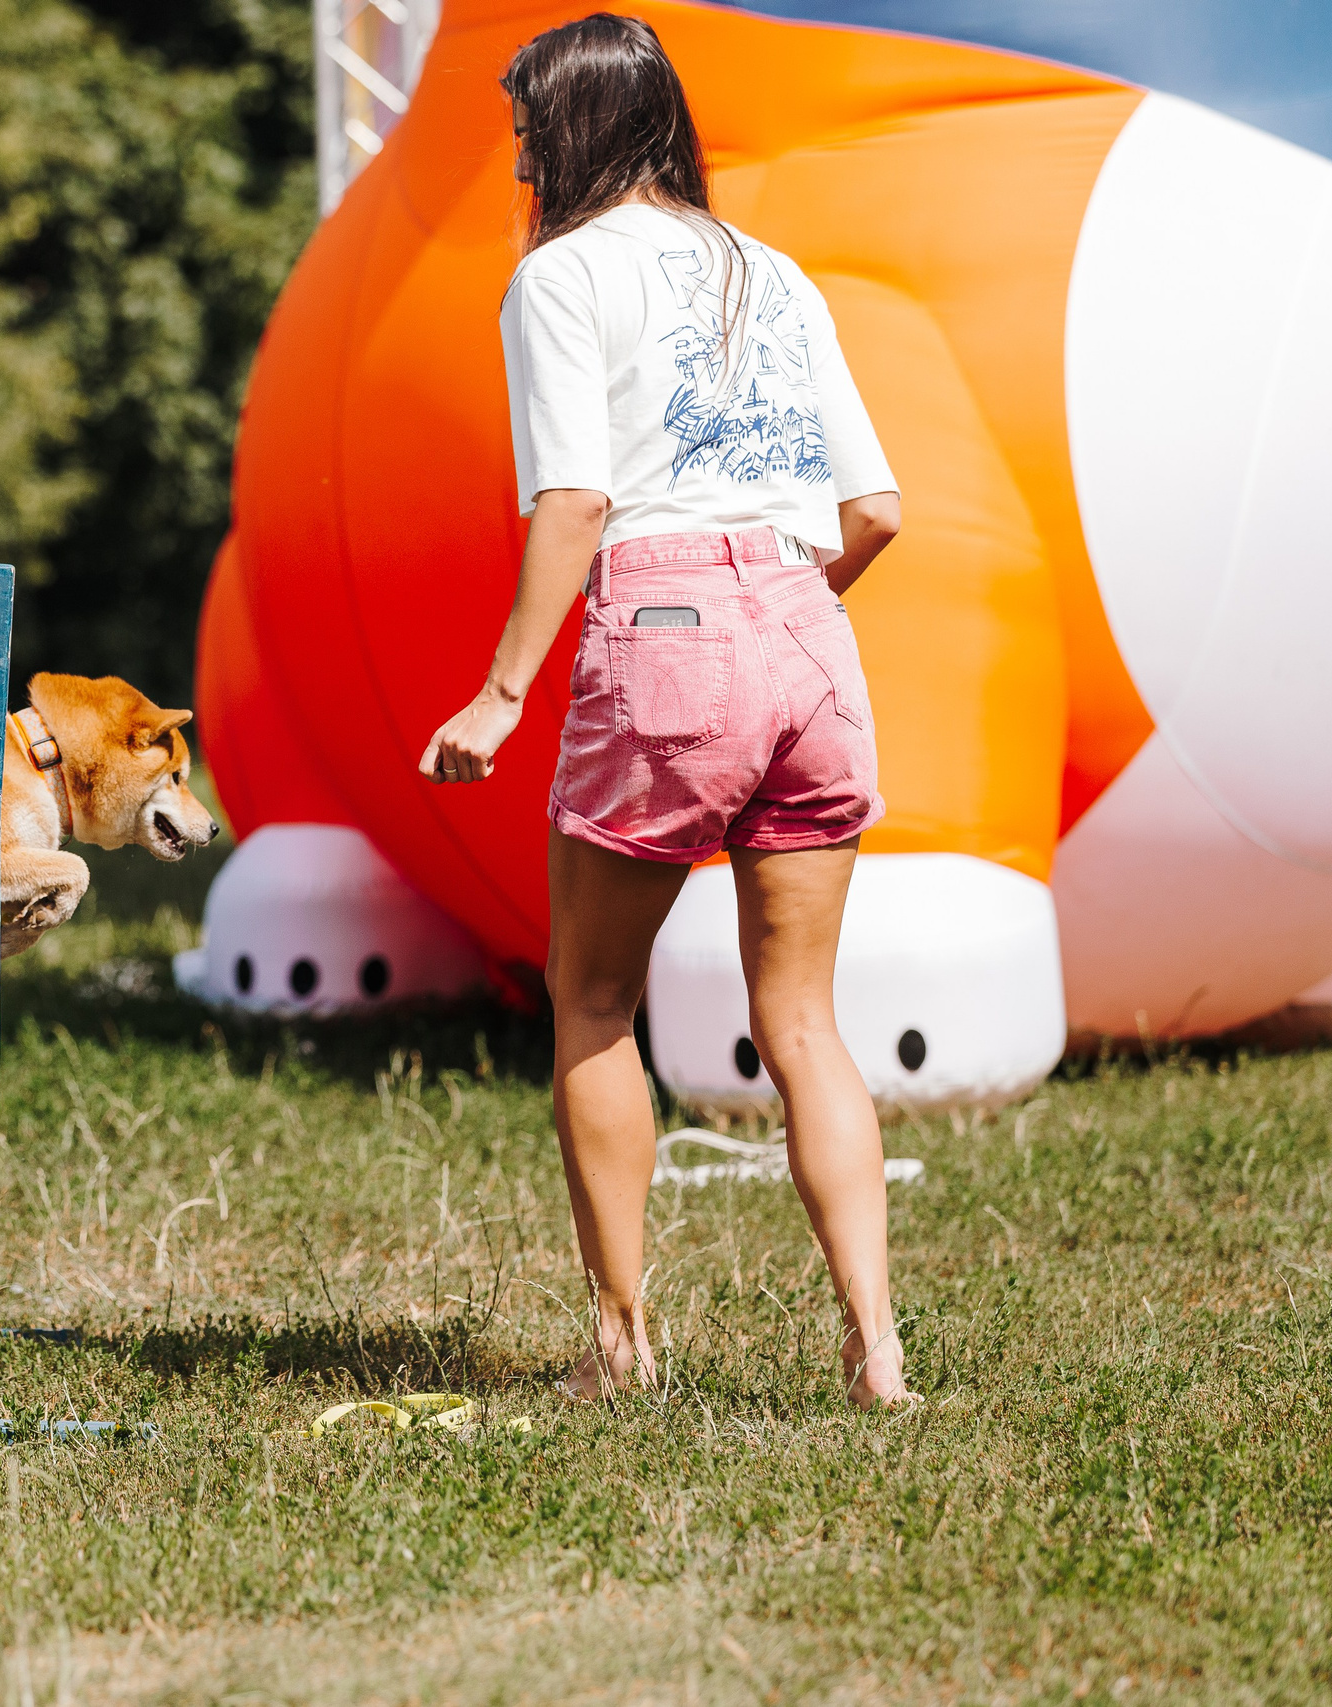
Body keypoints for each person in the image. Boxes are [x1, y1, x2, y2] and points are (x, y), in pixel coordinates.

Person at [419, 13, 913, 1407]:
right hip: (811, 631)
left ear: (575, 131)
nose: (522, 164)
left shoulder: (560, 275)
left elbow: (577, 500)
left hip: (666, 625)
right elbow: (877, 509)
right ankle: (876, 1349)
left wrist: (501, 692)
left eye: (529, 136)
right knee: (802, 1020)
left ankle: (624, 1348)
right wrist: (779, 618)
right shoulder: (774, 269)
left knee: (591, 1003)